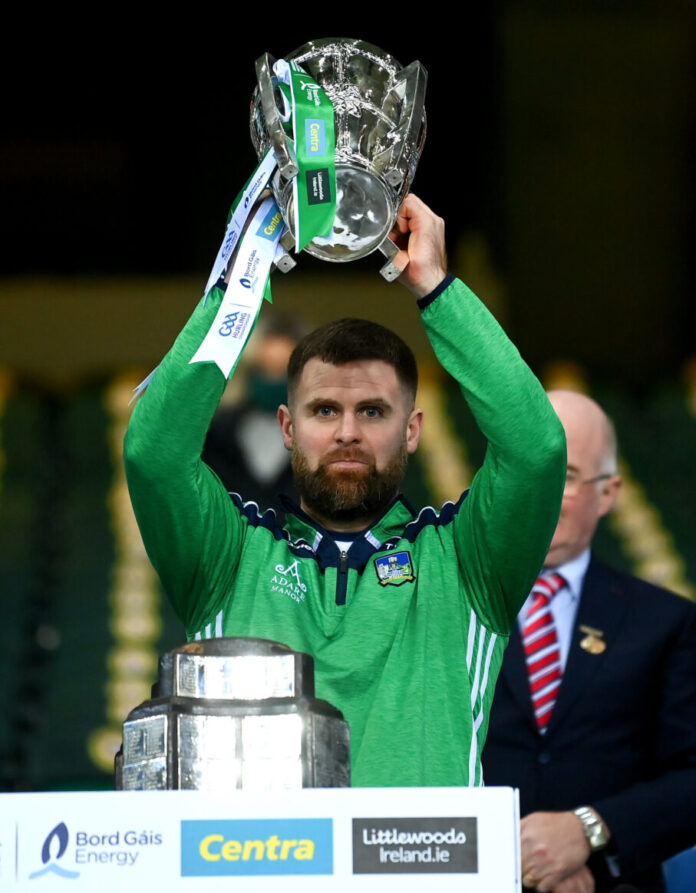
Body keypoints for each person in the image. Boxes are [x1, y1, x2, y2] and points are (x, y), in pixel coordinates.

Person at [124, 194, 566, 788]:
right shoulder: (227, 556)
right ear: (288, 427)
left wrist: (435, 287)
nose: (348, 433)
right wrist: (243, 282)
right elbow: (152, 455)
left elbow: (536, 449)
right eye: (325, 410)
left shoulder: (467, 562)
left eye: (374, 411)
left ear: (412, 431)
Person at [482, 390, 696, 893]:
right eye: (530, 469)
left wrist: (589, 832)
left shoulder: (666, 622)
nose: (544, 491)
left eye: (568, 475)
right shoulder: (446, 608)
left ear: (609, 493)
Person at [202, 314, 304, 511]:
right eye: (265, 370)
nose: (273, 381)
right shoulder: (219, 434)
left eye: (283, 372)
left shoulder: (322, 436)